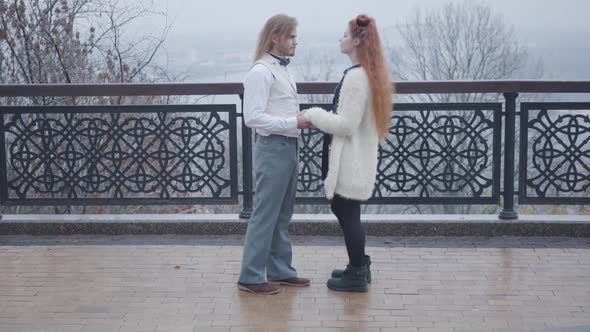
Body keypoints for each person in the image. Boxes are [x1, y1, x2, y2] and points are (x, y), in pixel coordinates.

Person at [302, 14, 393, 292]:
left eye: (344, 35)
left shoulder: (356, 77)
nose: (340, 39)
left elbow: (346, 124)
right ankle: (359, 265)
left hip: (351, 160)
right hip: (357, 158)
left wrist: (312, 114)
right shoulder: (367, 73)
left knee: (346, 210)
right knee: (346, 210)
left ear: (356, 41)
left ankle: (356, 272)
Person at [237, 14, 312, 295]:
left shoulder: (282, 70)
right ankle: (251, 275)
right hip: (273, 149)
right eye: (291, 37)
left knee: (282, 214)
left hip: (288, 147)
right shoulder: (260, 72)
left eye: (296, 37)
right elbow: (252, 118)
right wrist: (294, 122)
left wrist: (299, 119)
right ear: (275, 38)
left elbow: (278, 109)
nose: (296, 42)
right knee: (265, 214)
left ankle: (280, 271)